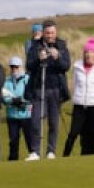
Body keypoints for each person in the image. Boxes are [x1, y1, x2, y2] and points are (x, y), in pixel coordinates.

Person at [25, 20, 71, 161]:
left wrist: (57, 57)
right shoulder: (35, 45)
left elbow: (66, 66)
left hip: (55, 88)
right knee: (35, 120)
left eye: (52, 33)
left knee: (53, 121)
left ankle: (51, 151)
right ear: (43, 33)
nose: (50, 35)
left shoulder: (61, 45)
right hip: (39, 88)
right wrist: (39, 59)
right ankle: (35, 151)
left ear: (55, 33)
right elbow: (29, 66)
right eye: (47, 33)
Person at [64, 38, 94, 156]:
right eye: (86, 53)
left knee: (92, 134)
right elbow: (75, 83)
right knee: (73, 133)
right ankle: (64, 156)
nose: (88, 55)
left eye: (91, 53)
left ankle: (88, 157)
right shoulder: (77, 67)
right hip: (79, 105)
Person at [2, 56, 33, 161]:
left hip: (26, 115)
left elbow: (31, 96)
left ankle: (33, 155)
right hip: (12, 115)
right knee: (13, 140)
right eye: (12, 67)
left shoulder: (28, 79)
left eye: (16, 67)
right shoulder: (7, 81)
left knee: (29, 138)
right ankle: (13, 159)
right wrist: (12, 101)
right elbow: (4, 97)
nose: (14, 69)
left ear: (21, 67)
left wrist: (22, 100)